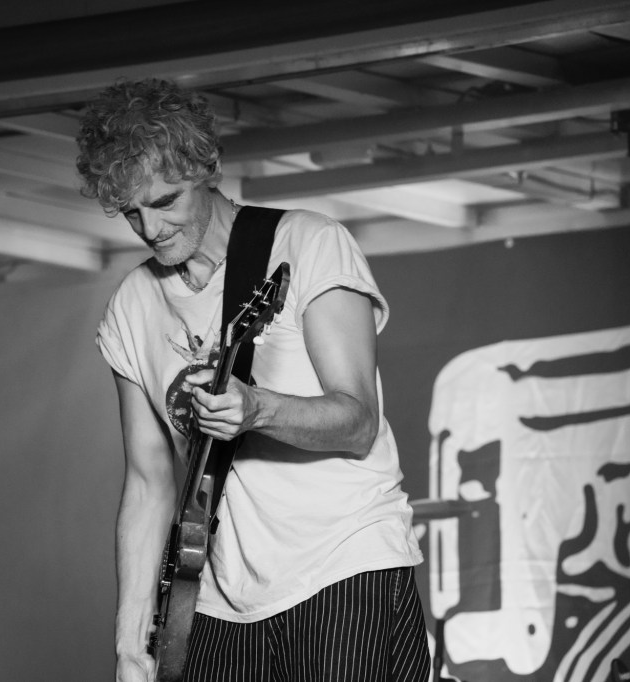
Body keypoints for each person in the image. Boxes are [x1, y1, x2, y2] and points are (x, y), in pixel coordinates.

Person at [77, 77, 429, 682]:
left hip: (342, 562)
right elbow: (148, 481)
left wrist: (259, 408)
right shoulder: (132, 305)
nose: (151, 228)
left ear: (206, 167)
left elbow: (358, 422)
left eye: (166, 201)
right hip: (214, 594)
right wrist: (129, 644)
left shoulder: (307, 242)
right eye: (132, 212)